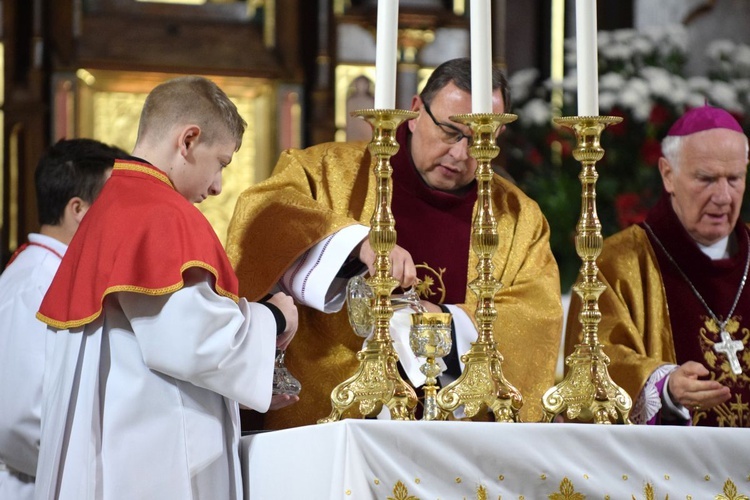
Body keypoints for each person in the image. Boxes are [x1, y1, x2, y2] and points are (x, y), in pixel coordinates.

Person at [226, 58, 563, 428]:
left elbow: (536, 319)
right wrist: (354, 245)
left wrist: (443, 324)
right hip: (329, 424)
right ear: (417, 110)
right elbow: (263, 217)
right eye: (451, 132)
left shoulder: (517, 216)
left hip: (451, 439)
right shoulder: (326, 170)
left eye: (481, 139)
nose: (461, 154)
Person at [33, 76, 298, 500]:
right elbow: (196, 344)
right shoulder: (159, 213)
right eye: (221, 163)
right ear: (188, 140)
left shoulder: (114, 205)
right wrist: (275, 315)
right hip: (145, 464)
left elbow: (150, 350)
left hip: (117, 450)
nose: (217, 186)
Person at [565, 105, 750, 426]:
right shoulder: (615, 263)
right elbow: (590, 367)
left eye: (734, 179)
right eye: (706, 179)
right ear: (668, 175)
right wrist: (664, 386)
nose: (723, 196)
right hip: (667, 470)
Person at [0, 139, 129, 500]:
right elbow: (18, 421)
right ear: (78, 209)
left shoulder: (51, 275)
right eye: (114, 208)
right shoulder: (37, 284)